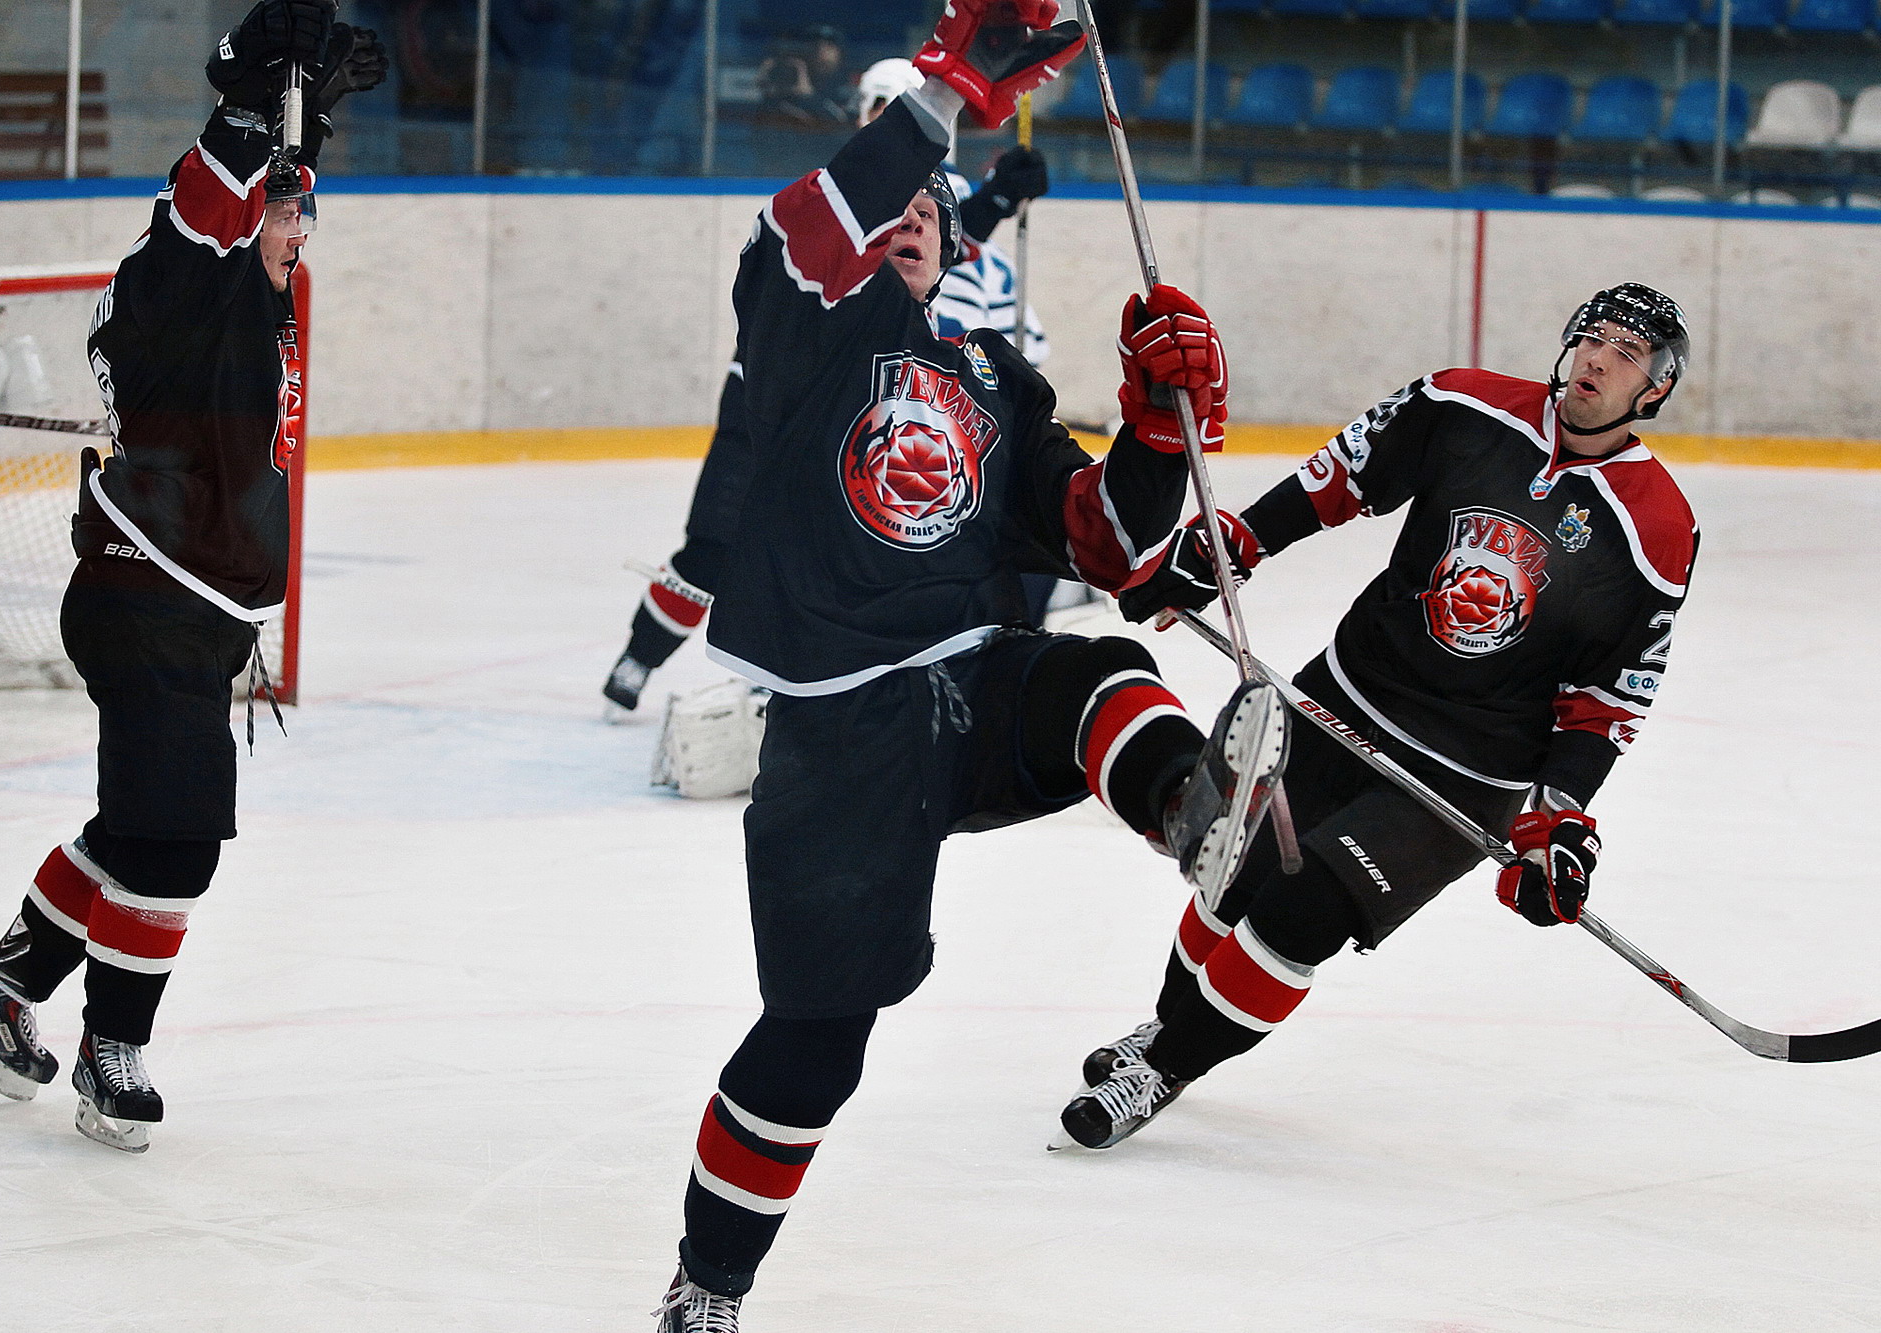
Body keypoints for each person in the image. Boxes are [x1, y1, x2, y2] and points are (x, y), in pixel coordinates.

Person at [648, 3, 1289, 1326]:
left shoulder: (994, 374)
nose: (915, 220)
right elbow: (797, 235)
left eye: (933, 213)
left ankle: (1194, 818)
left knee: (1094, 669)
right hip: (840, 725)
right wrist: (941, 100)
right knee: (819, 1041)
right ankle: (708, 1290)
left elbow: (1106, 544)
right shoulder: (801, 337)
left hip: (970, 675)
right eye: (895, 211)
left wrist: (1159, 428)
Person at [1059, 282, 1700, 1150]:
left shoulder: (1659, 526)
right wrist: (1232, 544)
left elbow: (1610, 695)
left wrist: (1558, 819)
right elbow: (1342, 478)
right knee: (1235, 872)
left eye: (1627, 354)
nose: (1598, 359)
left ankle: (1168, 1065)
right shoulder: (1460, 403)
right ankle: (1172, 1029)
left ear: (1653, 391)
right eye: (1593, 338)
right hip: (1346, 696)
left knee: (1303, 912)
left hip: (1470, 773)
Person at [0, 0, 386, 1154]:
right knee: (174, 841)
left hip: (194, 603)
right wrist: (240, 113)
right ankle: (111, 1048)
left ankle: (0, 989)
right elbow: (204, 212)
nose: (294, 226)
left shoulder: (251, 297)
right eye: (280, 214)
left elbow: (258, 210)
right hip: (146, 590)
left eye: (299, 212)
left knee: (140, 827)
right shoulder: (179, 287)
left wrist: (302, 121)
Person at [603, 57, 1054, 717]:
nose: (889, 119)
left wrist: (993, 201)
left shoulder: (922, 195)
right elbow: (870, 247)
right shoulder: (839, 193)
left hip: (859, 403)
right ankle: (641, 653)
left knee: (839, 551)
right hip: (774, 399)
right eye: (882, 107)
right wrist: (989, 202)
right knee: (715, 546)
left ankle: (805, 683)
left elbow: (929, 250)